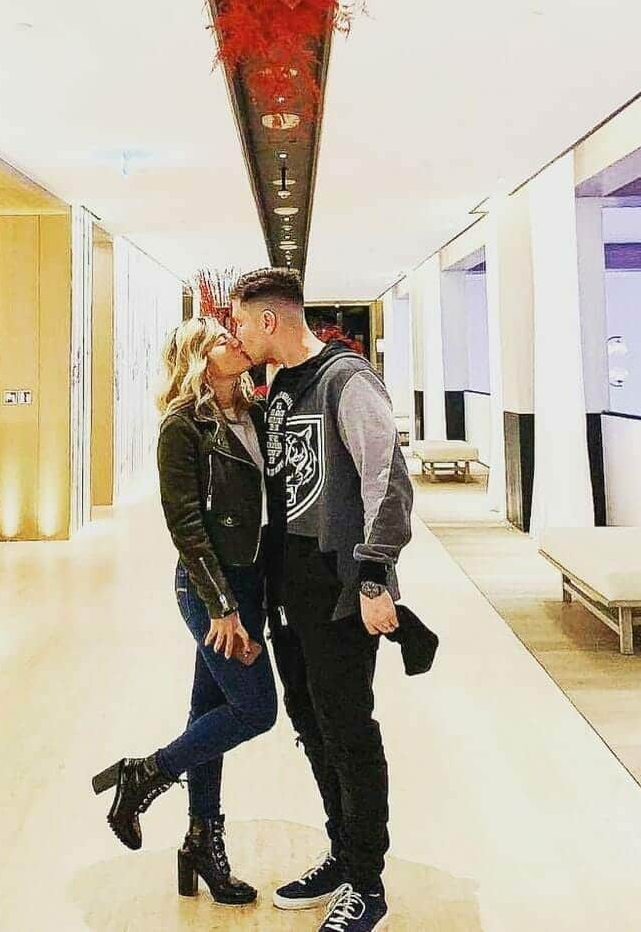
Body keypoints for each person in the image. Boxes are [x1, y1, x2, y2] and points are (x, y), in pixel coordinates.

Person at [230, 268, 413, 932]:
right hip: (289, 595)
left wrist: (375, 577)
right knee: (311, 726)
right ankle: (343, 850)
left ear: (269, 319)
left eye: (241, 322)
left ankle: (368, 884)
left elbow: (388, 481)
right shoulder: (280, 385)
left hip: (340, 592)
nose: (238, 334)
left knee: (348, 730)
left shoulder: (346, 379)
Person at [92, 317, 277, 905]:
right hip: (210, 589)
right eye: (221, 339)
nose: (235, 341)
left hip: (251, 582)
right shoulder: (183, 426)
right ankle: (146, 773)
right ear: (198, 357)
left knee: (210, 713)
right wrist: (221, 605)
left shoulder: (254, 411)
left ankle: (201, 842)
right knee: (256, 709)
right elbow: (187, 525)